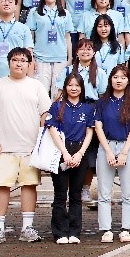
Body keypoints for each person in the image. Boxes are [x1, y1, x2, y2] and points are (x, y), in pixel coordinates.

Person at [0, 47, 52, 244]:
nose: (18, 63)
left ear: (29, 64)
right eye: (15, 60)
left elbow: (45, 113)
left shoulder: (36, 86)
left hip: (30, 148)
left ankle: (27, 228)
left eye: (23, 60)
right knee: (2, 186)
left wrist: (41, 141)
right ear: (9, 62)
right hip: (3, 148)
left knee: (29, 186)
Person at [94, 65, 130, 243]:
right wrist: (108, 151)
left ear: (128, 80)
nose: (119, 80)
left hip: (127, 147)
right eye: (115, 77)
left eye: (123, 77)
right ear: (110, 79)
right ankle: (106, 229)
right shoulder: (102, 102)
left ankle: (125, 228)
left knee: (128, 192)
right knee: (104, 192)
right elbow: (98, 127)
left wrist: (124, 153)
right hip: (106, 145)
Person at [45, 72, 94, 244]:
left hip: (80, 151)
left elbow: (90, 132)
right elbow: (52, 129)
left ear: (82, 88)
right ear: (65, 87)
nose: (73, 88)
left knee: (76, 194)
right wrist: (64, 152)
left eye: (77, 85)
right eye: (70, 85)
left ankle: (74, 232)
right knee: (60, 194)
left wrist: (80, 153)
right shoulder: (57, 106)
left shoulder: (88, 108)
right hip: (61, 150)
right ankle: (59, 232)